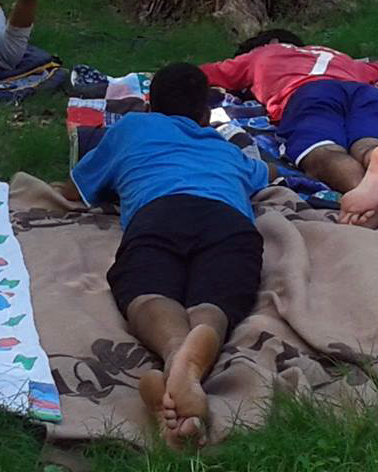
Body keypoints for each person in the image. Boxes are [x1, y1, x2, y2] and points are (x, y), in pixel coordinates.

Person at [70, 62, 270, 447]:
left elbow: (81, 186)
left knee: (147, 290)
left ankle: (176, 354)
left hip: (158, 213)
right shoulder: (222, 147)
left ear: (150, 105)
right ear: (204, 115)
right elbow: (261, 176)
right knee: (217, 298)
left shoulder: (131, 129)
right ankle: (191, 365)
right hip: (227, 219)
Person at [200, 30, 378, 228]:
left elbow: (203, 74)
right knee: (369, 141)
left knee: (322, 152)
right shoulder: (339, 57)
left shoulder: (262, 54)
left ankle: (363, 188)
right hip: (364, 92)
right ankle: (376, 156)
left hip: (308, 94)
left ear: (270, 42)